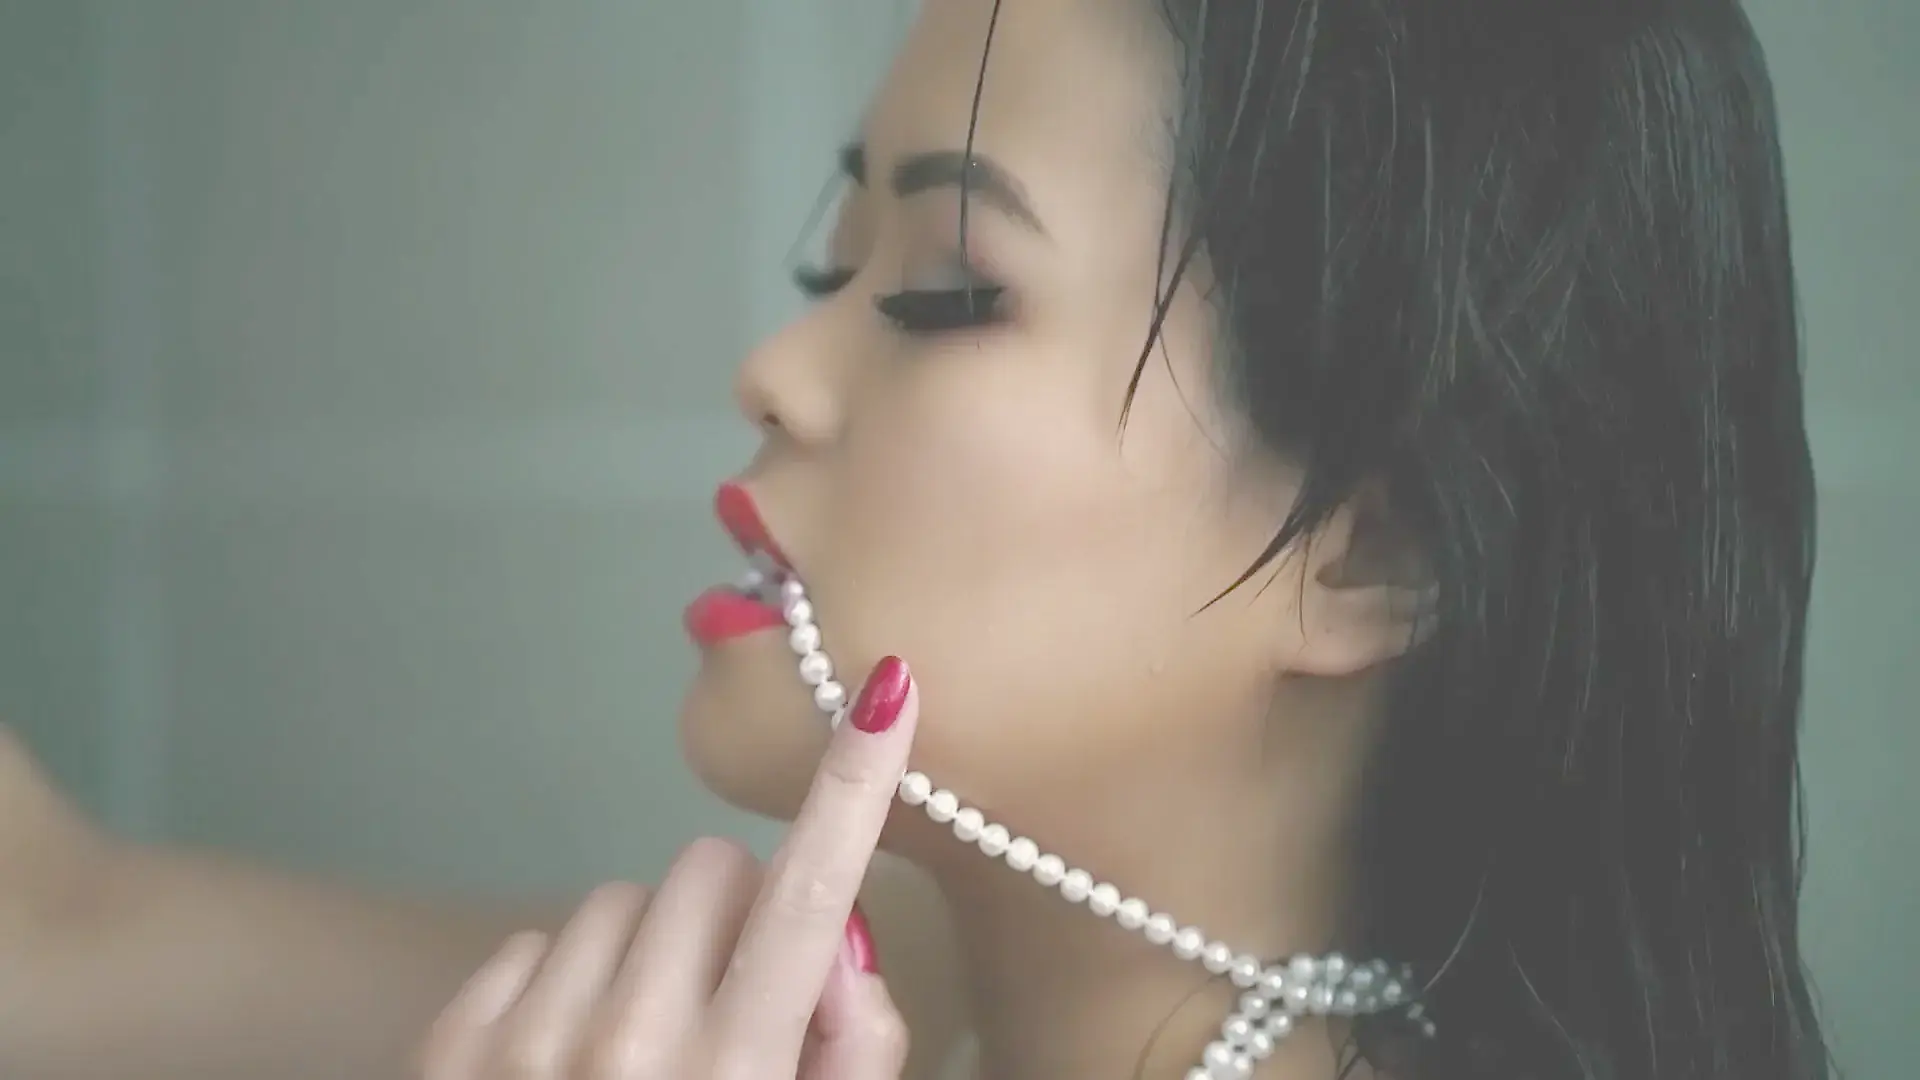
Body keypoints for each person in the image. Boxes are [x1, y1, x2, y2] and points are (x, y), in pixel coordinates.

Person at [0, 0, 1832, 1077]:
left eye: (949, 289)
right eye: (835, 263)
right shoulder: (904, 991)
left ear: (1365, 553)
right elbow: (58, 943)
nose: (775, 367)